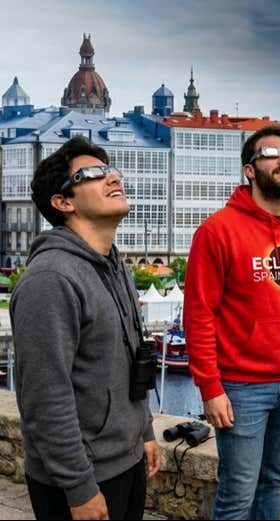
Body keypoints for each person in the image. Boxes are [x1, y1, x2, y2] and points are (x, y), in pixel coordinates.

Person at [184, 125, 280, 520]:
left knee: (275, 483)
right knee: (237, 495)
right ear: (250, 170)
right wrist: (210, 387)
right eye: (271, 154)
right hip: (242, 387)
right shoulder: (217, 231)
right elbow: (199, 314)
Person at [11, 137, 161, 520]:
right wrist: (79, 488)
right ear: (63, 202)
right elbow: (45, 398)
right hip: (80, 477)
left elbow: (129, 358)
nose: (112, 177)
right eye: (92, 173)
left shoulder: (115, 264)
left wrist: (142, 431)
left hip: (124, 461)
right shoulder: (51, 279)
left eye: (110, 169)